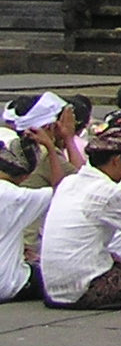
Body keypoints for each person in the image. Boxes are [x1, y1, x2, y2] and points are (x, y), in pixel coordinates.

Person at [41, 113, 121, 309]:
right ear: (117, 160)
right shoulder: (108, 191)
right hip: (83, 290)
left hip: (53, 290)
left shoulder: (70, 182)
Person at [0, 127, 55, 302]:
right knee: (55, 274)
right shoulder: (19, 197)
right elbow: (64, 189)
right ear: (25, 176)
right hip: (8, 284)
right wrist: (50, 147)